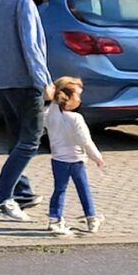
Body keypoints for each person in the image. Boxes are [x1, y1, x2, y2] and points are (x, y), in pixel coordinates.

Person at [0, 0, 55, 220]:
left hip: (2, 80)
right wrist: (44, 82)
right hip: (25, 82)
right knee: (31, 140)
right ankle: (3, 196)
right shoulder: (24, 2)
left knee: (16, 139)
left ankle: (22, 192)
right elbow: (30, 45)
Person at [43, 75, 105, 236]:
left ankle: (54, 219)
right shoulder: (76, 118)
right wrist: (97, 157)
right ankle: (91, 218)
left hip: (58, 160)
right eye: (78, 95)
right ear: (68, 97)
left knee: (59, 189)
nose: (80, 99)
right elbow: (86, 141)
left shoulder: (49, 114)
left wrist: (49, 99)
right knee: (83, 189)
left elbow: (43, 119)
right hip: (77, 160)